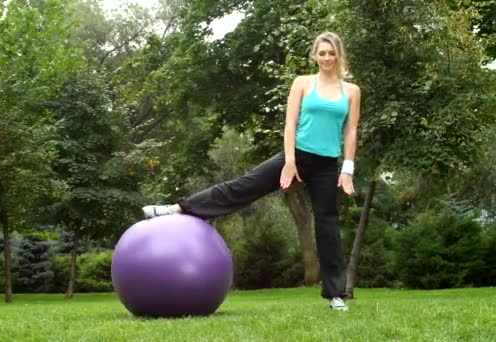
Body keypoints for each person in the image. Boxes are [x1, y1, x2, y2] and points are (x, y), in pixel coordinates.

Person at [142, 32, 361, 311]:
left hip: (327, 165)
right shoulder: (303, 83)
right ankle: (176, 209)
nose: (327, 58)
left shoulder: (351, 91)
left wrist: (348, 169)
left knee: (328, 225)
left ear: (339, 55)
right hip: (296, 155)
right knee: (244, 186)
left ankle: (336, 295)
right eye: (322, 53)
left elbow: (351, 130)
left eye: (332, 53)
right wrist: (291, 161)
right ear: (315, 55)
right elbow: (290, 124)